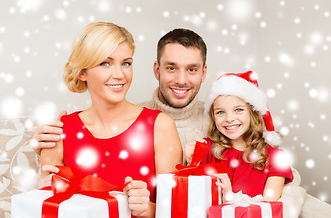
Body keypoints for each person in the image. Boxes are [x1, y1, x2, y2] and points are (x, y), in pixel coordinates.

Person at [32, 28, 330, 217]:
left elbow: (273, 170)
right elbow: (50, 196)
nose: (181, 80)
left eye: (125, 63)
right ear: (156, 69)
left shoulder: (225, 122)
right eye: (171, 68)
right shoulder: (66, 127)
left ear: (203, 73)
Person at [38, 22, 182, 218]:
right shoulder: (58, 132)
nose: (120, 74)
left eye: (126, 63)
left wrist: (147, 209)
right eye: (105, 63)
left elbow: (175, 212)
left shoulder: (160, 126)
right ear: (82, 73)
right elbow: (49, 208)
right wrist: (43, 191)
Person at [184, 71, 293, 202]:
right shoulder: (206, 148)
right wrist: (191, 162)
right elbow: (191, 198)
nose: (229, 119)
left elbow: (268, 209)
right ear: (213, 117)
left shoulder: (276, 158)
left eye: (238, 110)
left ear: (252, 112)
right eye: (220, 112)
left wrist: (230, 198)